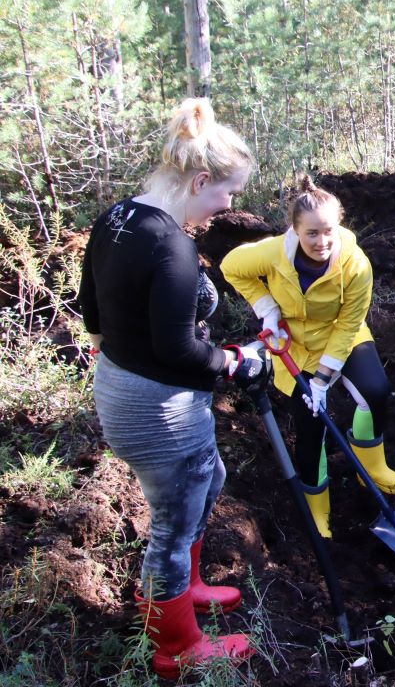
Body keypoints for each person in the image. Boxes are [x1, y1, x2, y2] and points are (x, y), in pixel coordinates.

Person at [79, 98, 261, 679]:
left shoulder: (116, 219)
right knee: (172, 526)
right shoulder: (171, 246)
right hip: (156, 410)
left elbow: (91, 314)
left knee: (209, 482)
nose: (228, 205)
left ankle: (188, 586)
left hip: (122, 386)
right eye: (226, 192)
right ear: (201, 179)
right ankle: (176, 646)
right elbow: (178, 350)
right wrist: (237, 363)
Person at [222, 176, 395, 539]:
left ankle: (371, 468)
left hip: (342, 335)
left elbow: (347, 326)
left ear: (339, 224)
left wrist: (323, 380)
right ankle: (317, 507)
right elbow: (232, 267)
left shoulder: (356, 265)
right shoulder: (274, 252)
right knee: (311, 430)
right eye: (311, 233)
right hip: (295, 345)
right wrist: (267, 308)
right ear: (295, 230)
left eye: (328, 231)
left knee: (375, 391)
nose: (321, 241)